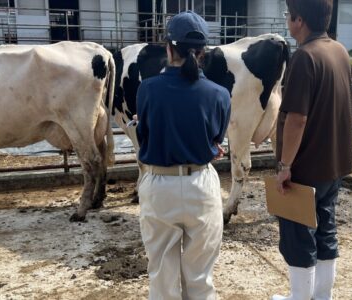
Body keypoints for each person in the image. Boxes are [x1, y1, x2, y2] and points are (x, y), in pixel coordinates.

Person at [135, 11, 231, 300]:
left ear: (168, 47)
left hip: (159, 184)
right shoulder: (219, 94)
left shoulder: (148, 89)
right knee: (200, 278)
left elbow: (145, 138)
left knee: (162, 279)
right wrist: (208, 148)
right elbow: (216, 141)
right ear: (202, 53)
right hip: (200, 184)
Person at [273, 0, 352, 299]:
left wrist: (284, 167)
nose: (287, 20)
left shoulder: (305, 58)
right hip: (334, 162)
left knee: (298, 236)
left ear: (299, 20)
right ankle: (321, 297)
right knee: (325, 230)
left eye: (288, 15)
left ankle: (299, 298)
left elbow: (297, 118)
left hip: (305, 167)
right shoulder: (339, 51)